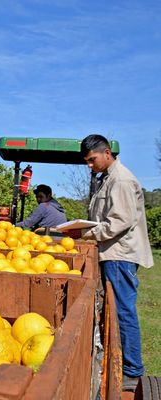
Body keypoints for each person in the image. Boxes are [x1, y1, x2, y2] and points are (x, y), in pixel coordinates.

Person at [79, 134, 153, 392]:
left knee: (123, 311)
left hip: (120, 255)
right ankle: (124, 362)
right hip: (112, 253)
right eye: (87, 161)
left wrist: (85, 234)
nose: (90, 165)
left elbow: (118, 222)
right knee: (116, 310)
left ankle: (133, 370)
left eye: (92, 159)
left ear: (107, 153)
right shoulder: (107, 179)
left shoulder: (120, 180)